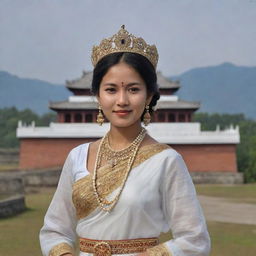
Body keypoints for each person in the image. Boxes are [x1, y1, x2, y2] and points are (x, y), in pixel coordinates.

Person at [40, 25, 211, 256]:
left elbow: (194, 240)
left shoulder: (166, 161)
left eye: (133, 89)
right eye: (111, 89)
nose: (122, 100)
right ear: (98, 96)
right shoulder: (77, 156)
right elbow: (54, 230)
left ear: (149, 96)